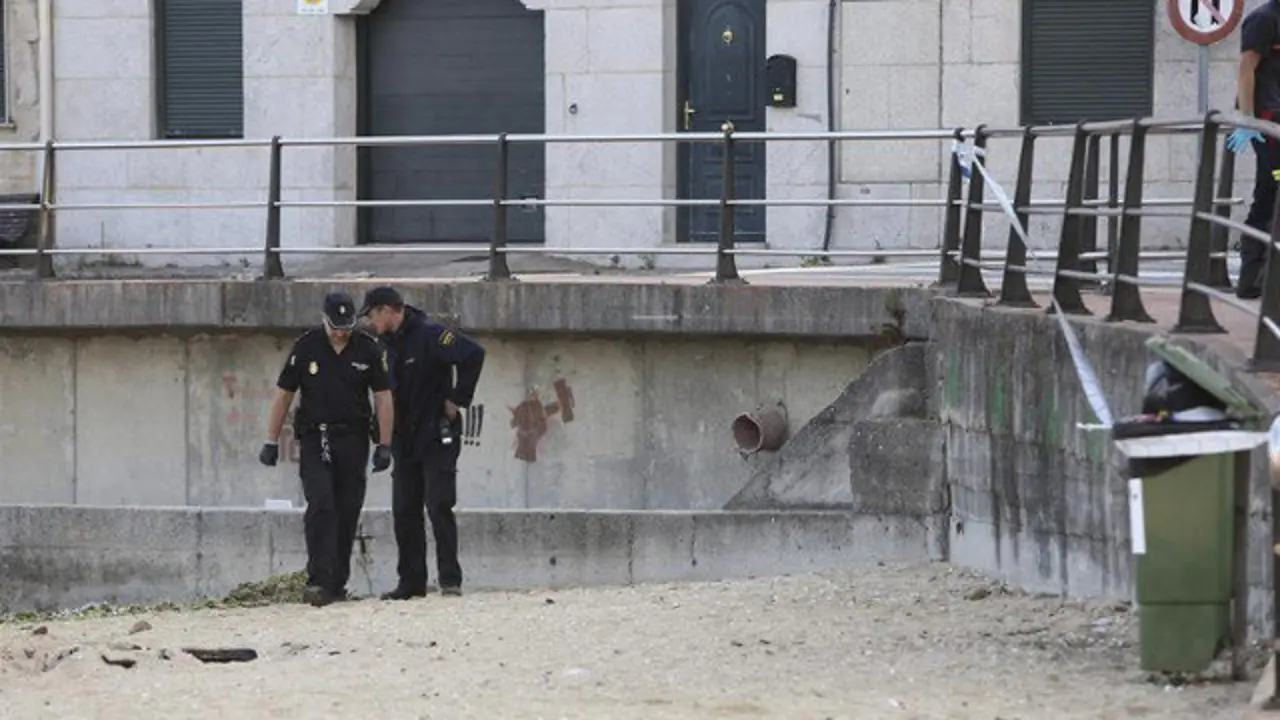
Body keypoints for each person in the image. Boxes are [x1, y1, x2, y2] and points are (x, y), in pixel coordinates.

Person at [259, 291, 395, 607]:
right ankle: (318, 580)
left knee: (348, 509)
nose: (340, 333)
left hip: (353, 439)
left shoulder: (368, 349)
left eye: (346, 327)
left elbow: (383, 397)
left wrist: (385, 444)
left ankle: (337, 582)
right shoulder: (306, 347)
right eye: (335, 327)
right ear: (324, 320)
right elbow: (284, 394)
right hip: (315, 438)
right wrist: (271, 440)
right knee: (321, 503)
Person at [358, 285, 485, 599]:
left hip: (435, 434)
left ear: (387, 310)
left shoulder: (429, 334)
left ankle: (450, 579)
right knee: (404, 509)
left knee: (439, 504)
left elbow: (473, 354)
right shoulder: (384, 345)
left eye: (372, 315)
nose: (370, 322)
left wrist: (457, 399)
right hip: (404, 438)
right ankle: (411, 582)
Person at [1227, 0, 1280, 299]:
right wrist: (1247, 118)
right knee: (1271, 191)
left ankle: (1258, 277)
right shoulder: (1264, 19)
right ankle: (1252, 276)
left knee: (1269, 193)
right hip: (1268, 123)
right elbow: (1247, 66)